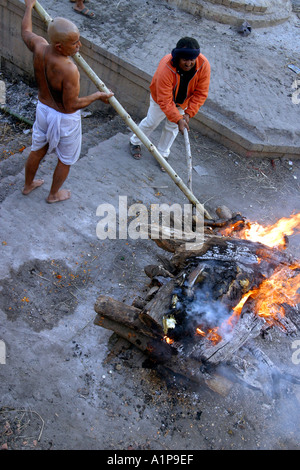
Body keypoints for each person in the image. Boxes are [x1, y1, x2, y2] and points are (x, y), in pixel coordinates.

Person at [21, 0, 112, 203]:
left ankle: (28, 185)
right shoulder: (69, 69)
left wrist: (28, 6)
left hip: (43, 109)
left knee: (38, 149)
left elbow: (26, 32)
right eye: (74, 43)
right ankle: (53, 194)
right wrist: (98, 96)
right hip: (64, 119)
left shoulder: (39, 46)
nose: (79, 46)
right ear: (60, 46)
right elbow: (71, 106)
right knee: (66, 159)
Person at [129, 37, 210, 171]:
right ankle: (134, 141)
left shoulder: (203, 65)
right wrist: (178, 119)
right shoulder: (166, 69)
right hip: (160, 99)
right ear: (177, 57)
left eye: (192, 60)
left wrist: (188, 113)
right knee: (151, 122)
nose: (189, 63)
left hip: (182, 103)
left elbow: (201, 93)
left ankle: (162, 154)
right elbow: (165, 101)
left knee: (172, 128)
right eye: (185, 60)